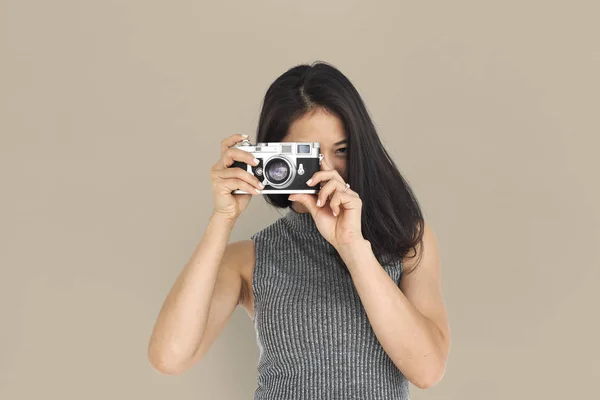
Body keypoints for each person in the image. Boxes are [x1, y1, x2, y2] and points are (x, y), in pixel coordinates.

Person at [148, 62, 450, 399]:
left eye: (342, 150)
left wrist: (352, 246)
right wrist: (223, 219)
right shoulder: (249, 258)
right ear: (275, 156)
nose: (327, 170)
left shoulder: (406, 239)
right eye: (307, 154)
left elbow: (427, 370)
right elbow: (169, 357)